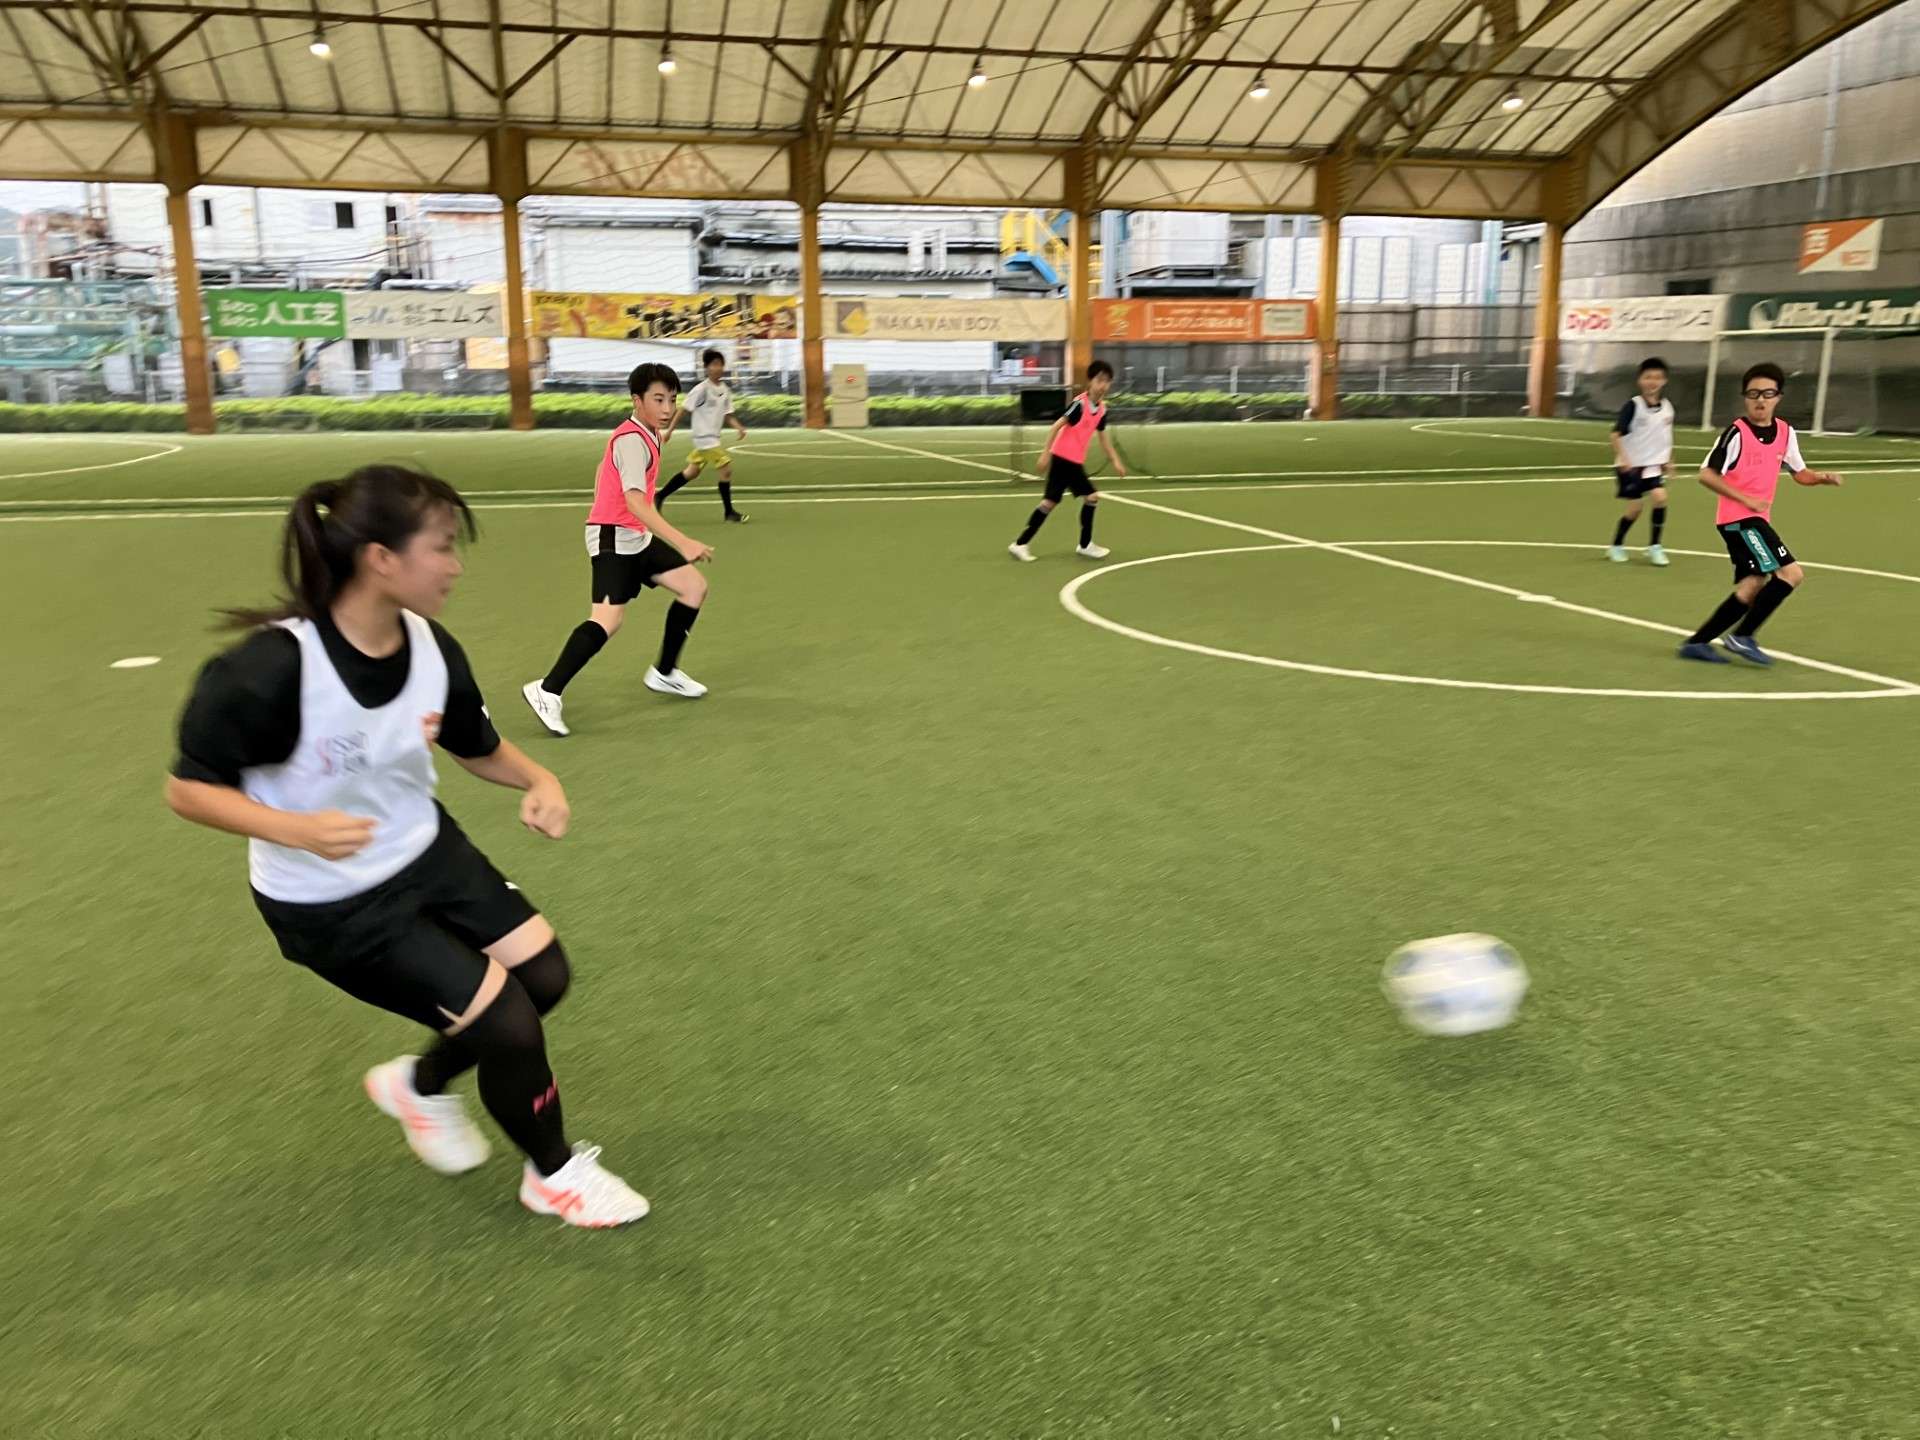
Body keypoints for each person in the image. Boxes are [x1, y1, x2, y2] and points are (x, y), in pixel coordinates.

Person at [166, 465, 650, 1228]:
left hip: (426, 852)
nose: (455, 566)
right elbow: (188, 790)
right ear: (381, 559)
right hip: (331, 903)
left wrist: (539, 777)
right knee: (508, 1023)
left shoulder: (431, 647)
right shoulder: (271, 668)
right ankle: (553, 1175)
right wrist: (294, 829)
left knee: (544, 976)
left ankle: (417, 1086)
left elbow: (475, 745)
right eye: (443, 547)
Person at [523, 363, 715, 737]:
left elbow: (603, 468)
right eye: (658, 399)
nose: (667, 408)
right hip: (612, 537)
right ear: (636, 400)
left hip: (635, 536)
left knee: (694, 588)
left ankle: (664, 673)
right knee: (608, 620)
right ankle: (547, 690)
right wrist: (683, 541)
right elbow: (636, 502)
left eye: (671, 399)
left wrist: (604, 495)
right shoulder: (631, 441)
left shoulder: (649, 433)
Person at [1676, 362, 1843, 666]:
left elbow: (1799, 472)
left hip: (1754, 520)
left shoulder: (1785, 432)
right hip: (1738, 520)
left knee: (1752, 585)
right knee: (1791, 574)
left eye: (1768, 393)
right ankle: (1743, 636)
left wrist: (1821, 478)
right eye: (1753, 394)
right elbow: (1707, 475)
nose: (1760, 400)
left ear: (1778, 397)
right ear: (1745, 397)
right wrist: (1746, 500)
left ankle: (1697, 643)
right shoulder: (1736, 433)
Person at [1009, 359, 1128, 563]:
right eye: (1099, 380)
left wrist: (1115, 460)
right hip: (1063, 459)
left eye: (1107, 381)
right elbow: (1056, 426)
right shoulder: (1079, 405)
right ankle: (1081, 545)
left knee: (1054, 502)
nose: (1103, 385)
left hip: (1073, 461)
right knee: (1089, 497)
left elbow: (1103, 438)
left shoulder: (1101, 410)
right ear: (1090, 381)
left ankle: (1023, 543)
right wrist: (1045, 454)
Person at [658, 348, 750, 524]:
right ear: (707, 368)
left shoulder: (724, 389)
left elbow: (728, 414)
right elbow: (683, 409)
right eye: (714, 364)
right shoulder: (701, 389)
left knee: (691, 472)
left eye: (720, 364)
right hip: (703, 438)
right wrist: (669, 431)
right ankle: (729, 512)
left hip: (713, 438)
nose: (718, 368)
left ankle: (659, 496)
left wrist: (739, 428)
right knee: (726, 469)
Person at [1607, 356, 1675, 566]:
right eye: (1648, 377)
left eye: (1657, 377)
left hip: (1652, 466)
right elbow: (1615, 435)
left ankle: (1655, 546)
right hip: (1631, 468)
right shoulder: (1633, 406)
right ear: (1640, 380)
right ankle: (1616, 545)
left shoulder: (1667, 408)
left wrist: (1669, 460)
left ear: (1664, 381)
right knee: (1635, 509)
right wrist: (1625, 459)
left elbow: (1665, 437)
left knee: (1660, 498)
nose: (1652, 381)